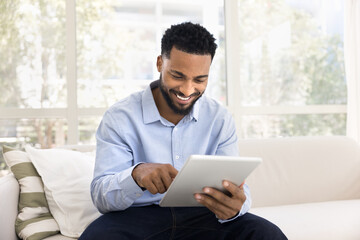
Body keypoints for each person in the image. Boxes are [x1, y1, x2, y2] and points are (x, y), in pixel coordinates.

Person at [79, 22, 287, 240]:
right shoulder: (120, 117)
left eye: (199, 79)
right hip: (137, 217)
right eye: (177, 76)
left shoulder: (220, 118)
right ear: (160, 63)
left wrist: (235, 208)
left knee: (266, 234)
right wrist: (136, 175)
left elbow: (237, 187)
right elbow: (101, 198)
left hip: (203, 216)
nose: (187, 89)